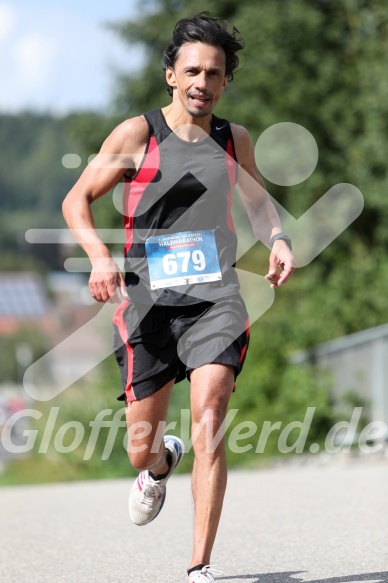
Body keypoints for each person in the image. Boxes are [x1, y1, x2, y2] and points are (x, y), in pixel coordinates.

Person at [62, 12, 295, 583]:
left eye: (213, 74)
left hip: (215, 299)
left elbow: (260, 204)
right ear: (171, 74)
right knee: (140, 452)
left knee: (211, 416)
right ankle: (158, 464)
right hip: (147, 306)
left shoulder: (231, 139)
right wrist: (98, 256)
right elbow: (76, 200)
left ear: (224, 82)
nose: (202, 83)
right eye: (191, 70)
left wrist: (280, 238)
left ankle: (199, 566)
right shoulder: (136, 135)